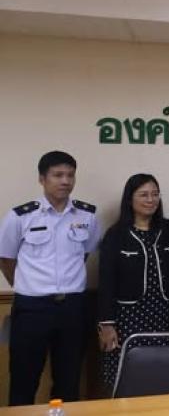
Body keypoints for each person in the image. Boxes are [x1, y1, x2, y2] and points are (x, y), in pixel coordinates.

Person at [0, 151, 101, 405]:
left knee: (69, 381)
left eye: (70, 175)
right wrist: (27, 286)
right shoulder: (21, 216)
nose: (65, 181)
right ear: (42, 179)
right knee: (23, 379)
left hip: (73, 308)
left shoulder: (87, 216)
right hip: (32, 308)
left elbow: (84, 254)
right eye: (57, 175)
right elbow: (6, 259)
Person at [97, 173, 169, 392]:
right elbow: (106, 281)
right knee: (127, 376)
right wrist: (107, 324)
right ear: (130, 199)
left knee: (161, 375)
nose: (150, 200)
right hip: (127, 318)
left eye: (155, 194)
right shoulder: (116, 235)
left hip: (163, 315)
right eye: (144, 195)